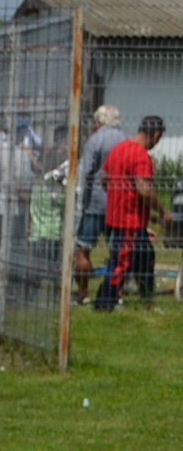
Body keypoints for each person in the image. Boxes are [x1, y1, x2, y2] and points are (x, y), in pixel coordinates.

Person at [95, 114, 164, 311]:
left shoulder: (119, 149)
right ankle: (105, 302)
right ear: (156, 134)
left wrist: (118, 197)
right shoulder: (140, 155)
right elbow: (144, 190)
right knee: (121, 263)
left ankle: (147, 299)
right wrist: (163, 211)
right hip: (129, 221)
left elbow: (104, 179)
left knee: (145, 257)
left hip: (118, 216)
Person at [73, 104, 123, 302]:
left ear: (100, 121)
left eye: (95, 121)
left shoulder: (95, 140)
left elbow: (85, 170)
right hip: (117, 203)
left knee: (83, 249)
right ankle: (117, 294)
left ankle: (83, 293)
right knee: (116, 251)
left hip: (94, 203)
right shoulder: (124, 139)